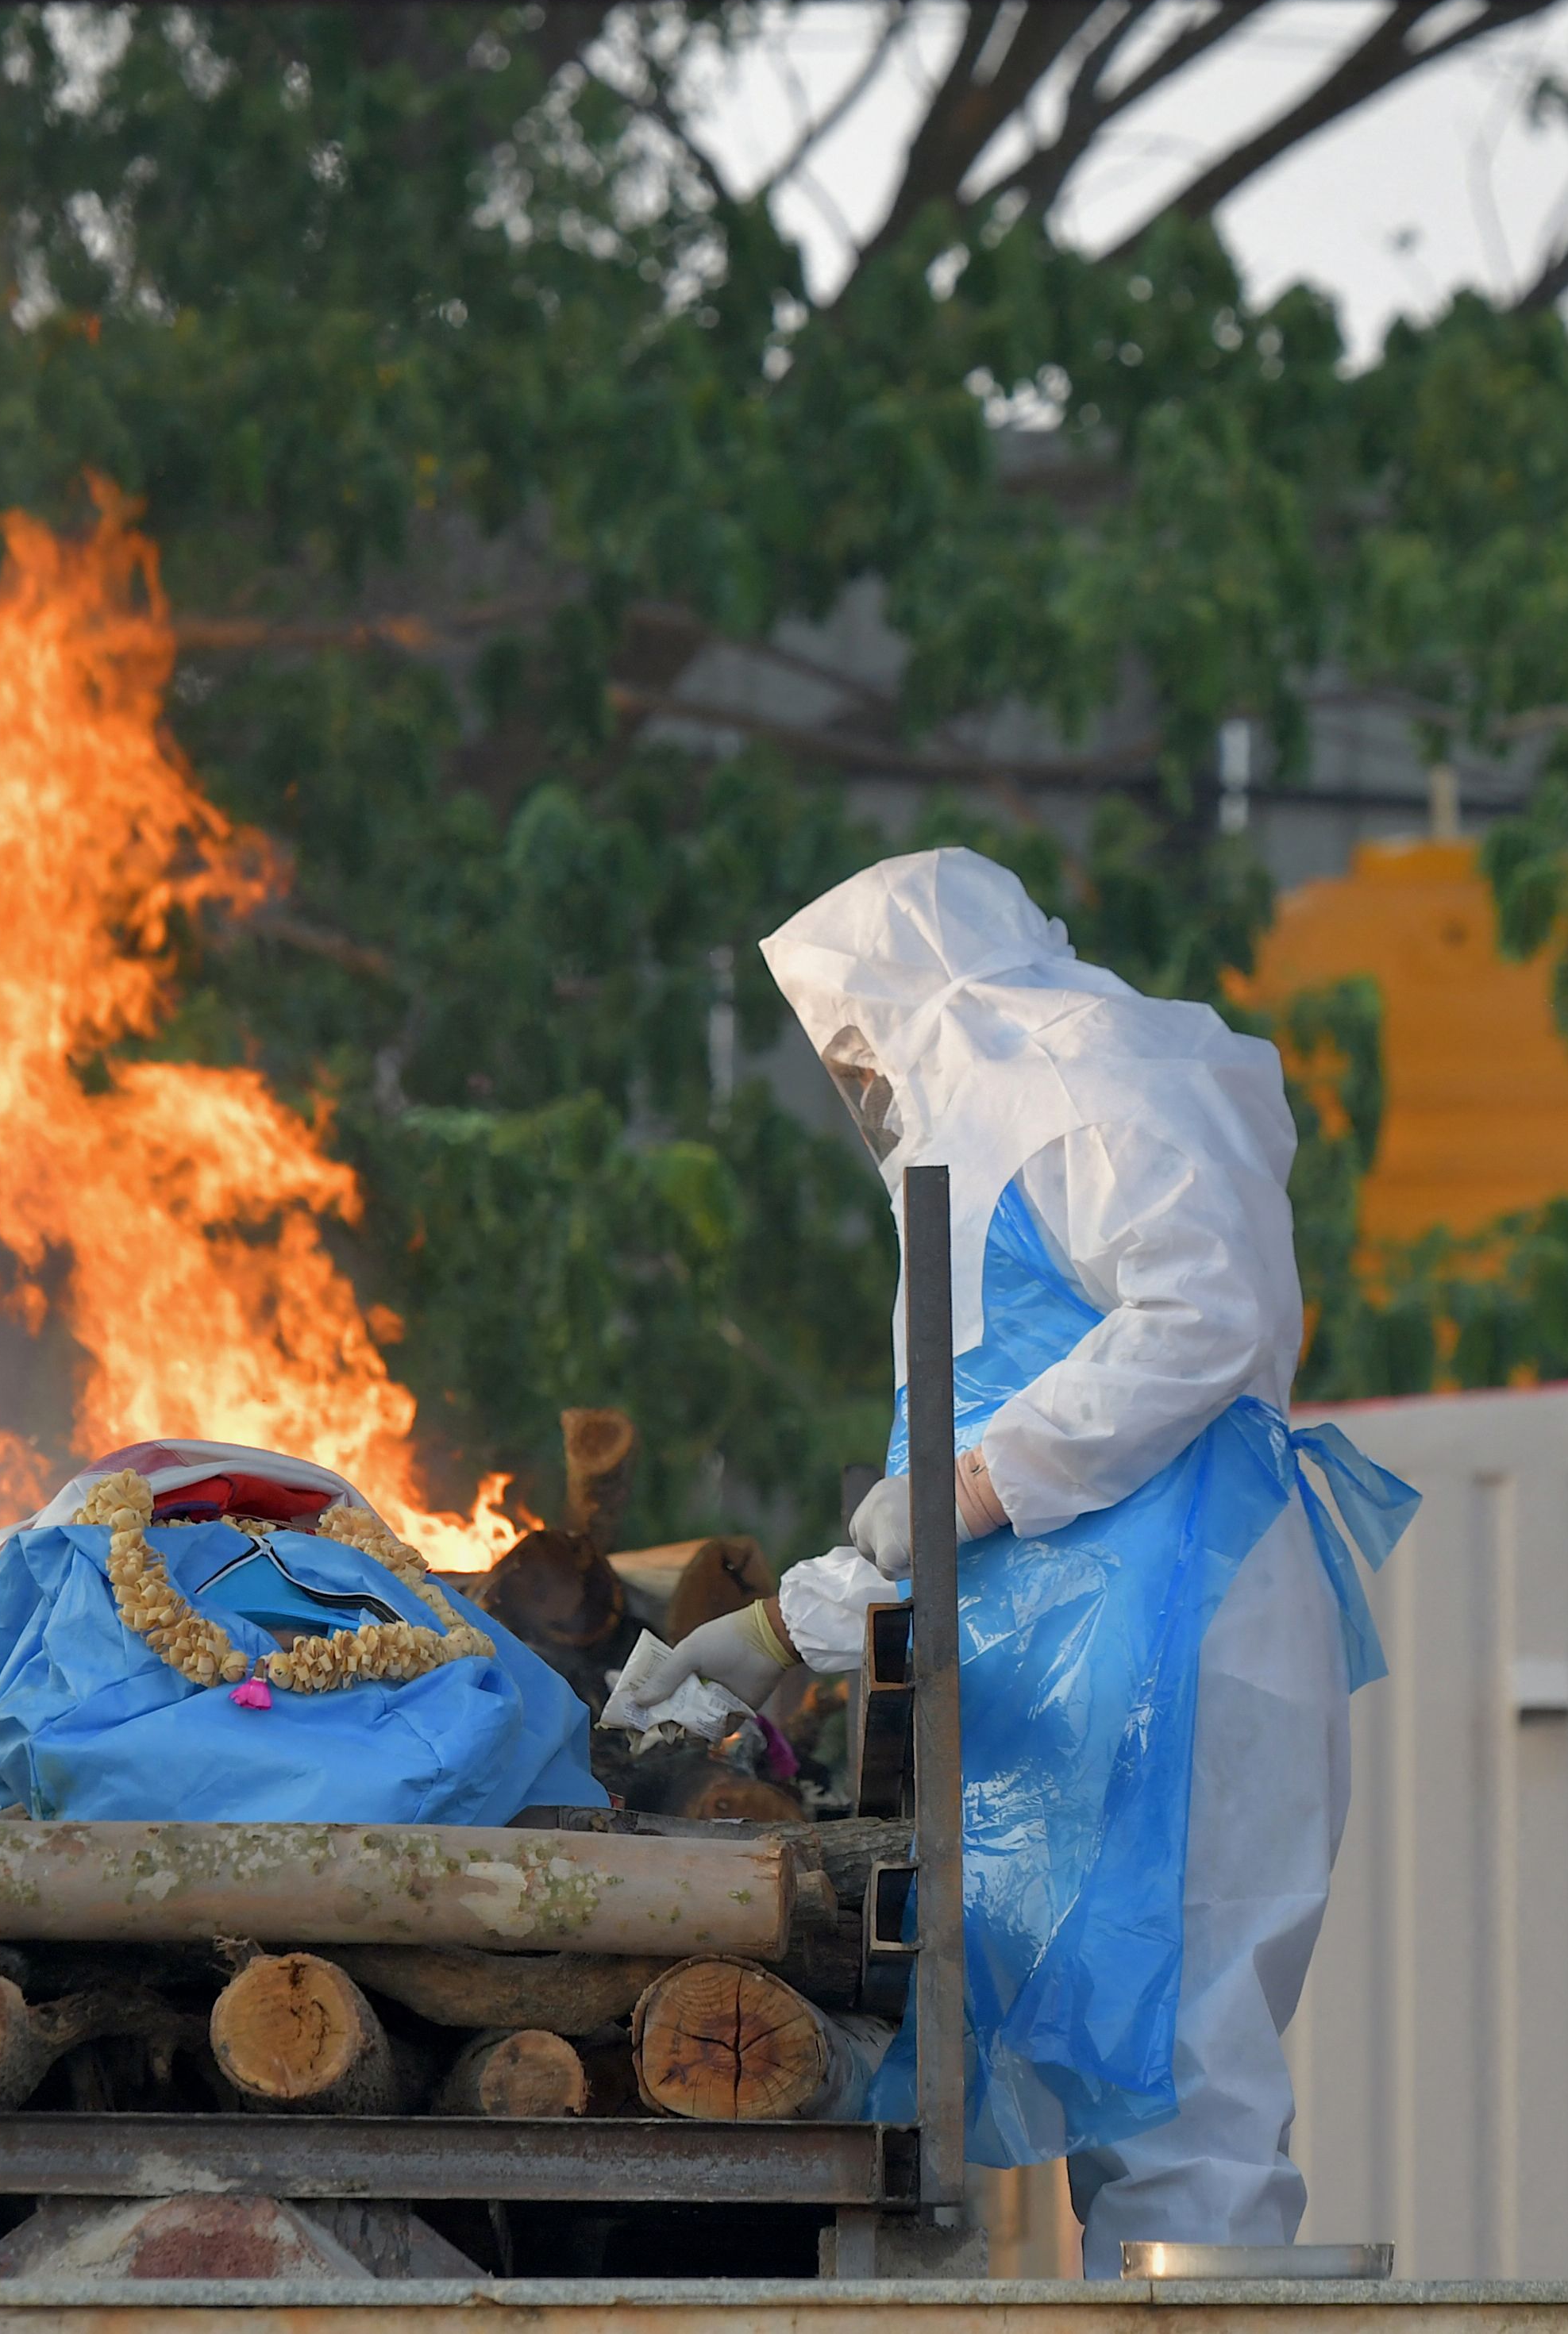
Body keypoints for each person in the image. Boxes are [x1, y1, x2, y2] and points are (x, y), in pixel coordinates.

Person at [622, 848, 1412, 2262]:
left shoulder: (1080, 1081)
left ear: (922, 994)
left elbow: (1199, 1318)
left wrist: (975, 1482)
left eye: (861, 1036)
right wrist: (798, 1619)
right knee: (1137, 2074)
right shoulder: (1013, 1114)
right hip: (1115, 1628)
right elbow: (995, 1468)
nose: (861, 1072)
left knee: (1184, 2080)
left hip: (1180, 1625)